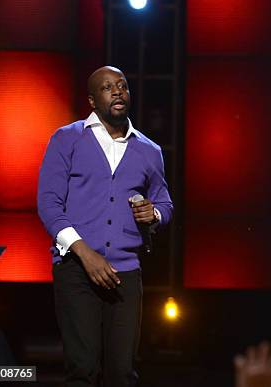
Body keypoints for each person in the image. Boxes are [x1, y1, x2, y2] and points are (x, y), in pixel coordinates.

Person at [37, 66, 173, 386]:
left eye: (122, 86)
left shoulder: (148, 150)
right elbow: (49, 204)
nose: (116, 91)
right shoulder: (67, 139)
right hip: (76, 269)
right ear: (92, 100)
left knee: (122, 373)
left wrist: (152, 214)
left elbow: (165, 205)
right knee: (83, 370)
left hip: (125, 273)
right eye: (107, 87)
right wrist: (85, 253)